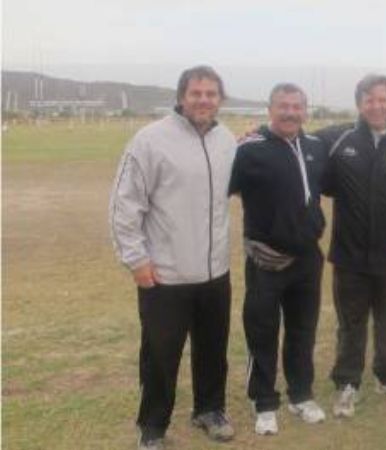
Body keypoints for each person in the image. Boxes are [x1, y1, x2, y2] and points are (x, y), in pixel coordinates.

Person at [109, 65, 236, 450]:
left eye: (211, 94)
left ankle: (209, 409)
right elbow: (124, 206)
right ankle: (152, 428)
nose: (203, 100)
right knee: (160, 356)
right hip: (165, 274)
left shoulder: (226, 139)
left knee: (213, 350)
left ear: (220, 99)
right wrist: (136, 261)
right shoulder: (150, 140)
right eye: (196, 93)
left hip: (215, 272)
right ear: (181, 97)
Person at [319, 74, 386, 418]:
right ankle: (347, 384)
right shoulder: (339, 140)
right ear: (359, 104)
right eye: (369, 100)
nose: (376, 106)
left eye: (382, 99)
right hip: (349, 257)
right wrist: (257, 133)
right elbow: (296, 142)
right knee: (351, 324)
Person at [229, 83, 328, 435]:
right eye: (283, 106)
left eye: (297, 106)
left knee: (303, 331)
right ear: (269, 109)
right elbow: (222, 187)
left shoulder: (316, 146)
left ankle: (300, 395)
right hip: (266, 261)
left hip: (307, 260)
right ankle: (264, 402)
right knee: (262, 332)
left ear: (306, 110)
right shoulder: (248, 149)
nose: (290, 112)